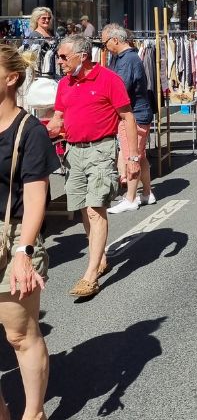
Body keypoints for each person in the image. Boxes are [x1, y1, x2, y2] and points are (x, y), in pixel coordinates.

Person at [46, 35, 140, 298]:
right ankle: (99, 258)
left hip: (101, 149)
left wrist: (132, 157)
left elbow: (127, 117)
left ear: (82, 56)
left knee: (95, 208)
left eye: (64, 56)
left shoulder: (109, 79)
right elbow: (59, 117)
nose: (59, 61)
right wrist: (43, 129)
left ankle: (90, 275)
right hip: (73, 152)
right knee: (84, 211)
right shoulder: (65, 83)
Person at [0, 45, 59, 420]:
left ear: (10, 78)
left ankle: (33, 413)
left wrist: (24, 251)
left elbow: (36, 194)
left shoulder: (29, 130)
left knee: (19, 333)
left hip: (14, 234)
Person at [103, 24, 155, 214]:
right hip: (137, 113)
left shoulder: (128, 59)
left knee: (131, 156)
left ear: (115, 40)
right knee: (140, 156)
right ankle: (147, 193)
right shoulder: (123, 57)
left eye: (105, 42)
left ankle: (131, 198)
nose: (104, 47)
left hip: (134, 115)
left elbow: (120, 88)